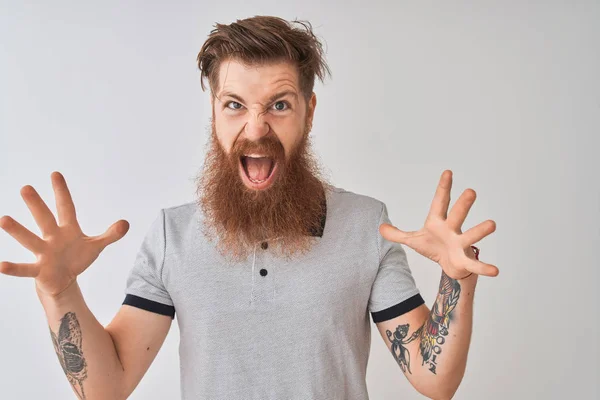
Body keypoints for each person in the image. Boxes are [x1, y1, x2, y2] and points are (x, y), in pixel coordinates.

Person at [0, 15, 498, 400]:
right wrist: (60, 293)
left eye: (279, 105)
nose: (256, 128)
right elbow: (108, 387)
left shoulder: (368, 226)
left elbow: (435, 381)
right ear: (214, 110)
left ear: (309, 111)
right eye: (235, 104)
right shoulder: (174, 235)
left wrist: (457, 282)